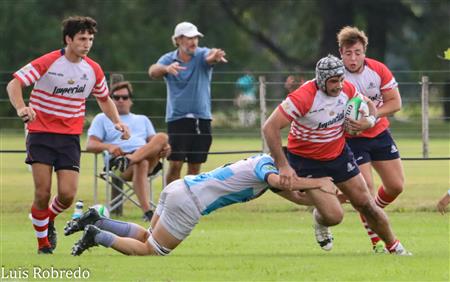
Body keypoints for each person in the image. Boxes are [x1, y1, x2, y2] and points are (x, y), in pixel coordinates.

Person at [262, 54, 411, 255]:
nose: (339, 85)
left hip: (339, 156)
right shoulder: (302, 97)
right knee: (334, 216)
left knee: (365, 203)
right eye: (333, 81)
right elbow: (270, 127)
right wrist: (283, 165)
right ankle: (319, 218)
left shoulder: (347, 89)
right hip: (307, 161)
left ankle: (395, 247)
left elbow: (368, 103)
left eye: (341, 79)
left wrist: (369, 121)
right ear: (321, 80)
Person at [5, 16, 130, 254]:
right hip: (40, 133)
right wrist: (22, 108)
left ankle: (46, 219)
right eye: (82, 39)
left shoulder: (92, 69)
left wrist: (117, 122)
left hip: (69, 137)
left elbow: (104, 98)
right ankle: (44, 245)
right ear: (68, 39)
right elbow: (14, 84)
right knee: (42, 193)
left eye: (90, 39)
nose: (87, 43)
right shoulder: (50, 61)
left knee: (67, 195)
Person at [64, 154, 341, 256]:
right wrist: (317, 183)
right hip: (189, 202)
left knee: (148, 236)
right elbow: (278, 179)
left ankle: (95, 220)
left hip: (179, 188)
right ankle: (97, 236)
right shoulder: (267, 165)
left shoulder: (265, 169)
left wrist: (336, 197)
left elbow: (295, 195)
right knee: (153, 250)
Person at [337, 26, 405, 251]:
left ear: (364, 51)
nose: (353, 58)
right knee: (365, 188)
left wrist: (372, 117)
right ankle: (377, 241)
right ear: (341, 53)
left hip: (378, 132)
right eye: (348, 53)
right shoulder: (336, 76)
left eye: (357, 52)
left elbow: (395, 103)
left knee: (396, 186)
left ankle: (373, 212)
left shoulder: (378, 70)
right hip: (352, 138)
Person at [148, 21, 227, 185]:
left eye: (196, 38)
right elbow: (152, 71)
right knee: (175, 164)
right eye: (189, 38)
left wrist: (214, 57)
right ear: (177, 40)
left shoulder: (201, 55)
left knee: (195, 167)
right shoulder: (169, 58)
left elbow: (210, 56)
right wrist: (166, 69)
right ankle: (169, 202)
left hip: (202, 118)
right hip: (177, 119)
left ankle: (189, 206)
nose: (193, 41)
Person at [86, 81, 171, 221]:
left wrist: (166, 149)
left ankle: (130, 159)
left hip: (147, 159)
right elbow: (90, 144)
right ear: (110, 100)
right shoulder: (102, 118)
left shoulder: (142, 119)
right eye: (116, 97)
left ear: (130, 100)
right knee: (141, 163)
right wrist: (109, 147)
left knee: (162, 137)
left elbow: (155, 142)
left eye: (124, 97)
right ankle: (147, 211)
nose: (120, 101)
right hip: (118, 164)